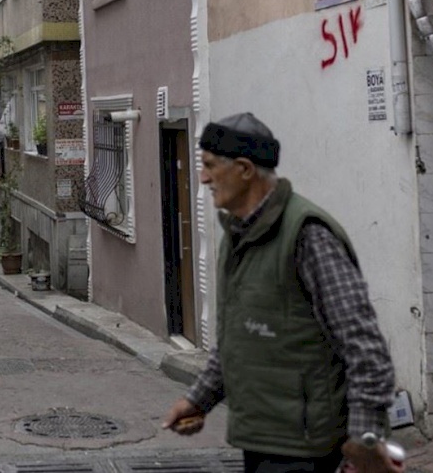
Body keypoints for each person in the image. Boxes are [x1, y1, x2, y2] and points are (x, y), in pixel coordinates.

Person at [161, 112, 400, 473]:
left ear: (244, 169)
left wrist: (365, 441)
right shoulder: (237, 238)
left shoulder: (308, 235)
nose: (204, 177)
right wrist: (199, 400)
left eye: (210, 166)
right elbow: (235, 341)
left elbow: (365, 348)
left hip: (307, 449)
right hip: (261, 439)